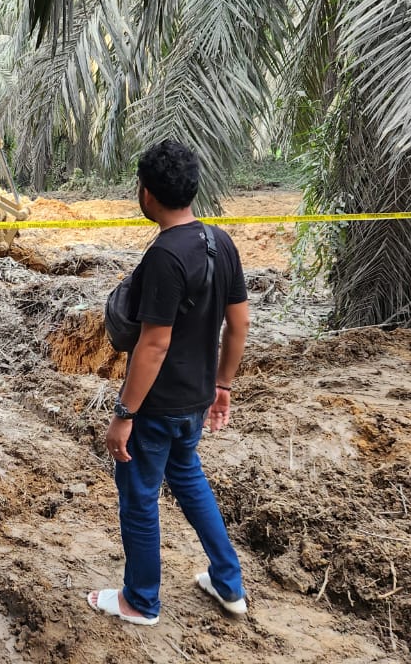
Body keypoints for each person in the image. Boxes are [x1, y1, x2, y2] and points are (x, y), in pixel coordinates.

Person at [87, 140, 250, 626]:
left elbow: (153, 346)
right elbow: (238, 325)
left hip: (157, 408)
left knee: (138, 495)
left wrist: (125, 414)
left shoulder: (163, 256)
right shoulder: (220, 243)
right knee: (189, 479)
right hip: (196, 399)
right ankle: (229, 585)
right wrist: (222, 387)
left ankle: (140, 601)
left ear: (147, 194)